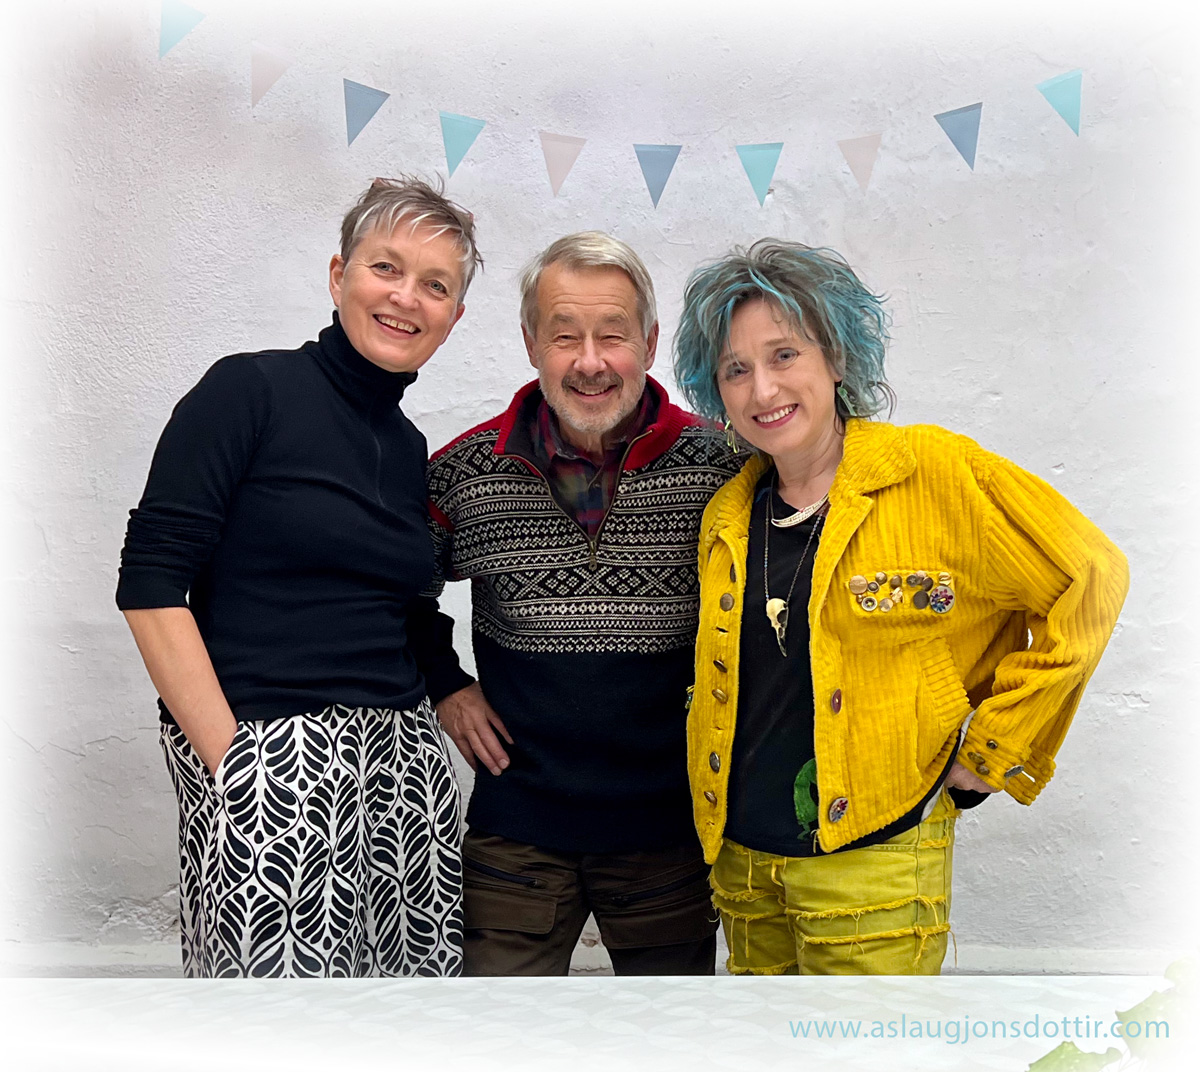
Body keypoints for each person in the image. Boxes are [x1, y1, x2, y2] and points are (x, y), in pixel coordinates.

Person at [672, 239, 1129, 975]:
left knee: (867, 1040)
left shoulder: (935, 472)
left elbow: (1091, 575)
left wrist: (994, 751)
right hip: (744, 868)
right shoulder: (728, 512)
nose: (763, 389)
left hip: (877, 859)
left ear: (836, 358)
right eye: (736, 369)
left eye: (785, 355)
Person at [115, 177, 482, 978]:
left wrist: (451, 689)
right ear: (338, 275)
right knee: (275, 1019)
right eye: (386, 268)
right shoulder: (248, 390)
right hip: (274, 754)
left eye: (435, 285)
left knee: (408, 1008)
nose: (406, 298)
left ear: (454, 318)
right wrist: (235, 764)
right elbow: (149, 583)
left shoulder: (408, 446)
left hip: (402, 765)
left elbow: (405, 605)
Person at [422, 232, 742, 976]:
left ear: (650, 343)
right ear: (531, 343)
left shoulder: (724, 469)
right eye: (565, 336)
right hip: (519, 828)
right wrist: (444, 682)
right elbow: (392, 592)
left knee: (669, 1030)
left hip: (670, 829)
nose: (590, 362)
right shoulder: (463, 473)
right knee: (499, 1029)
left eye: (613, 336)